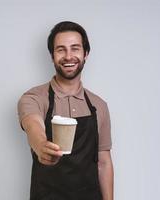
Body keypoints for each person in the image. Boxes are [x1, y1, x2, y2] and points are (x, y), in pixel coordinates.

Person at [17, 21, 114, 200]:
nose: (68, 56)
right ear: (52, 56)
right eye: (61, 49)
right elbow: (33, 126)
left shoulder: (99, 105)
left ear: (86, 54)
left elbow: (104, 162)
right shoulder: (34, 97)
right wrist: (41, 146)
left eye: (75, 48)